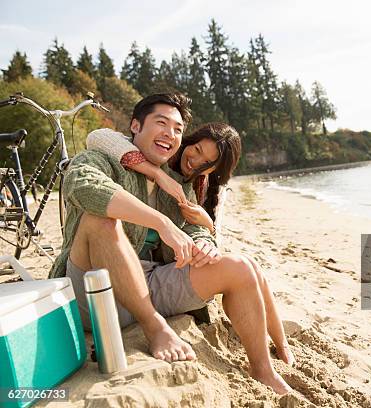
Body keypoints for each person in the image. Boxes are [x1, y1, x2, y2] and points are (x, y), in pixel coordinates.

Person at [49, 93, 291, 394]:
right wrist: (161, 222)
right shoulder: (99, 158)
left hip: (149, 282)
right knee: (100, 219)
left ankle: (263, 369)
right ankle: (154, 327)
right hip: (91, 290)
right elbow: (83, 186)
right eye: (161, 124)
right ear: (135, 126)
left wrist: (204, 242)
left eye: (178, 129)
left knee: (240, 267)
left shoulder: (178, 184)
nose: (170, 134)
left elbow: (194, 227)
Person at [86, 122, 295, 367]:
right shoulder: (161, 153)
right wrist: (159, 175)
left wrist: (208, 226)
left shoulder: (197, 187)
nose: (195, 161)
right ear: (189, 140)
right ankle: (274, 353)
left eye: (207, 162)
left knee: (250, 265)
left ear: (215, 170)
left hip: (160, 273)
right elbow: (98, 136)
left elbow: (201, 236)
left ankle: (281, 345)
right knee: (242, 266)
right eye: (196, 149)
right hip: (122, 270)